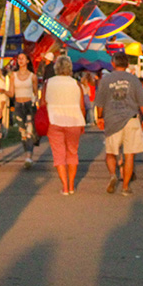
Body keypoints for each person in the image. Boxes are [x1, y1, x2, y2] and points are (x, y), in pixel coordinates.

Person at [94, 52, 143, 196]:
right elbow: (142, 102)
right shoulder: (134, 80)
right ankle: (125, 187)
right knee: (129, 154)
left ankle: (113, 175)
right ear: (127, 65)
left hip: (112, 119)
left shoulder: (106, 80)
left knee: (110, 152)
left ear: (113, 64)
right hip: (131, 119)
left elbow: (99, 102)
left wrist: (100, 117)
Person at [40, 55, 86, 195]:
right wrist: (82, 122)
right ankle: (72, 185)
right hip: (74, 120)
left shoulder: (48, 83)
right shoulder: (76, 84)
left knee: (58, 154)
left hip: (54, 120)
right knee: (72, 152)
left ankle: (65, 186)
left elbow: (42, 103)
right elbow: (82, 106)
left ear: (56, 68)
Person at [9, 52, 38, 168]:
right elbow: (11, 92)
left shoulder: (33, 76)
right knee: (23, 132)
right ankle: (27, 151)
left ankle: (29, 156)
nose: (20, 61)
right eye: (19, 59)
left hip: (29, 104)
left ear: (27, 61)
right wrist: (2, 91)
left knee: (29, 131)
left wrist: (35, 102)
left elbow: (35, 92)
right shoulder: (13, 76)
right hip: (18, 105)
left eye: (23, 58)